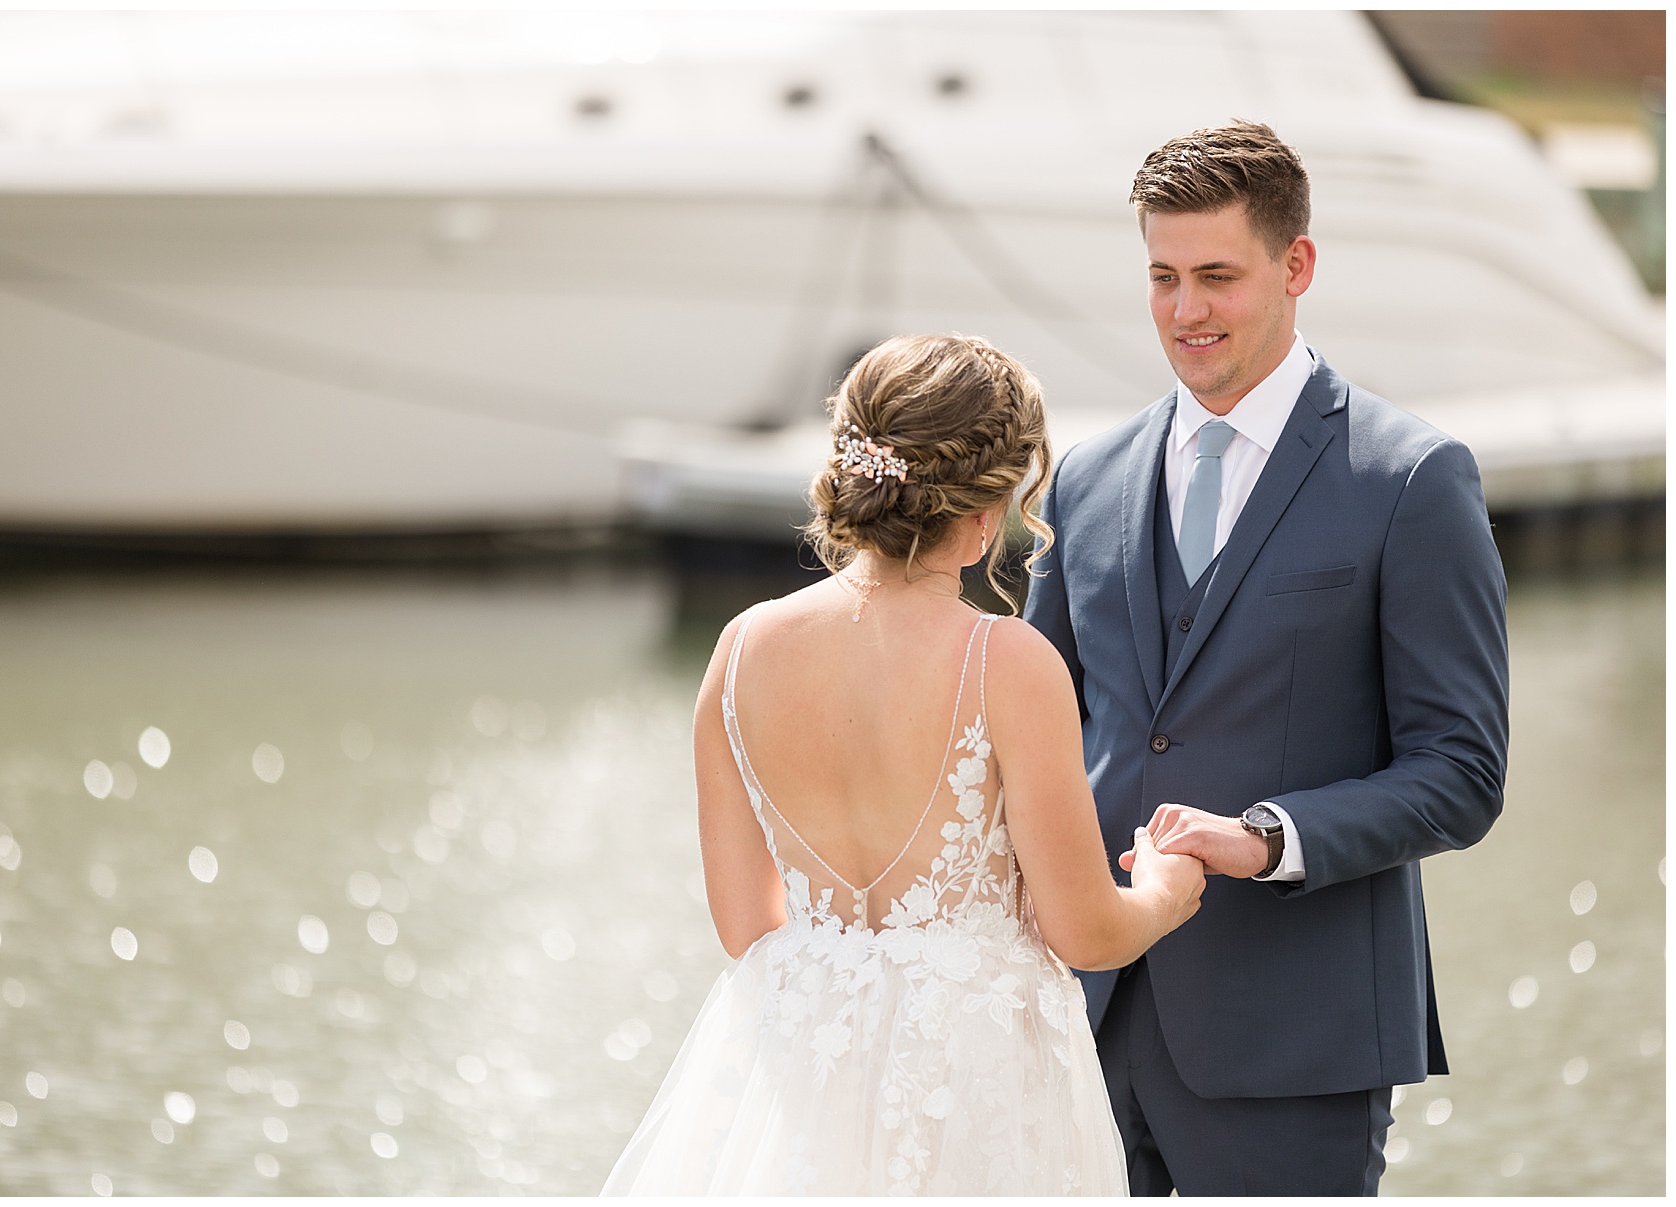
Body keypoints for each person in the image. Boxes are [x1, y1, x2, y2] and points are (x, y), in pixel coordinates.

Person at [1023, 121, 1510, 1196]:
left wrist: (1266, 838)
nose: (1185, 311)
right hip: (1083, 1026)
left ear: (1296, 267)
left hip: (1299, 1042)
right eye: (1162, 276)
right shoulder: (1087, 479)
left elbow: (1464, 774)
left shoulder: (1411, 478)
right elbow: (1037, 733)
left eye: (1216, 277)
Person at [602, 334, 1206, 1194]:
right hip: (979, 1082)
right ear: (984, 513)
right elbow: (1086, 933)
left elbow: (747, 926)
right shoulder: (1007, 662)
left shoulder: (740, 651)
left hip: (807, 1070)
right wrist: (1163, 888)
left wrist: (862, 996)